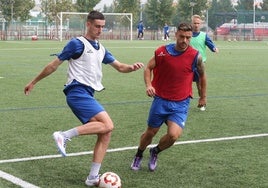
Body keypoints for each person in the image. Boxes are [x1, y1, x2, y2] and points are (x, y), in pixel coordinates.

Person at [24, 10, 144, 187]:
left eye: (102, 27)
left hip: (87, 94)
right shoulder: (77, 44)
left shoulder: (101, 48)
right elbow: (53, 65)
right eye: (97, 26)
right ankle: (63, 135)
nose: (100, 30)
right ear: (88, 24)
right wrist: (34, 81)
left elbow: (119, 67)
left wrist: (131, 67)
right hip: (76, 92)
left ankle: (93, 177)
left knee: (106, 133)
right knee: (109, 124)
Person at [130, 23, 206, 172]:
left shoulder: (196, 56)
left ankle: (155, 151)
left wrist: (202, 97)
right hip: (161, 100)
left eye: (188, 38)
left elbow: (202, 76)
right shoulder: (162, 52)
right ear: (176, 34)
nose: (185, 40)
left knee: (173, 135)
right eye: (182, 36)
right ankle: (139, 154)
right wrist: (148, 85)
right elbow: (148, 68)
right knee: (150, 132)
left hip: (181, 102)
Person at [190, 14, 219, 111]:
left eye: (198, 23)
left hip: (199, 64)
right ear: (191, 23)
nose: (196, 25)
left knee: (199, 85)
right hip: (187, 63)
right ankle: (182, 102)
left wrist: (214, 48)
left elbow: (210, 43)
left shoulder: (203, 35)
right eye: (194, 23)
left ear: (201, 24)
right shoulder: (187, 35)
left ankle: (202, 101)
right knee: (184, 83)